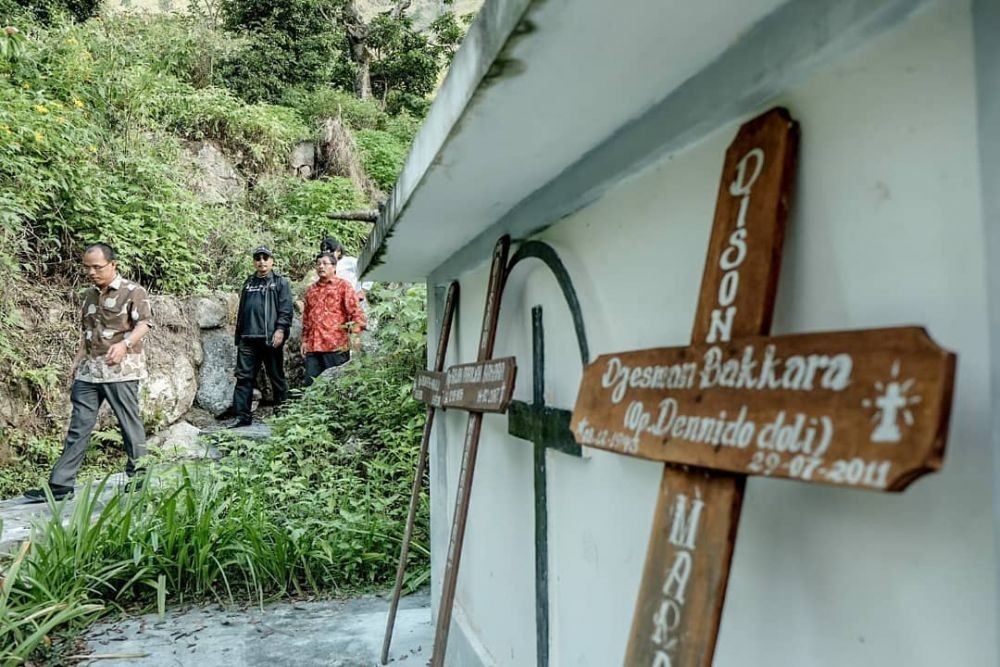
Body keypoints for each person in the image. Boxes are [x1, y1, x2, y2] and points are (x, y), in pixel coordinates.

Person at [24, 243, 154, 503]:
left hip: (120, 372)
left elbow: (145, 323)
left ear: (113, 264)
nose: (92, 272)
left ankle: (140, 478)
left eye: (98, 267)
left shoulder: (132, 291)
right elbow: (87, 332)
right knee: (78, 427)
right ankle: (60, 485)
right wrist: (76, 360)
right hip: (89, 372)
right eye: (87, 267)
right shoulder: (89, 295)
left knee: (129, 426)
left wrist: (124, 344)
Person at [229, 246, 293, 426]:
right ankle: (242, 416)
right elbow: (242, 311)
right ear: (254, 261)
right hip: (248, 339)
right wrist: (239, 337)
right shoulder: (248, 283)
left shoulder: (280, 283)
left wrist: (281, 330)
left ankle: (284, 415)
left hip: (270, 339)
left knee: (276, 377)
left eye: (265, 258)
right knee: (243, 378)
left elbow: (286, 310)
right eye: (258, 258)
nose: (262, 261)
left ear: (272, 261)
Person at [301, 251, 366, 386]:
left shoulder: (343, 286)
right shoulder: (311, 290)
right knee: (310, 387)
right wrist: (304, 341)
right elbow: (307, 318)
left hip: (335, 346)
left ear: (334, 267)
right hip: (313, 347)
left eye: (325, 263)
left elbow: (355, 312)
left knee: (336, 386)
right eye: (318, 264)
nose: (321, 267)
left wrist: (356, 335)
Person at [321, 237, 374, 309]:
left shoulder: (350, 262)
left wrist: (363, 291)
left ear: (338, 251)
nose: (328, 256)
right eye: (326, 254)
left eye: (331, 253)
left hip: (356, 301)